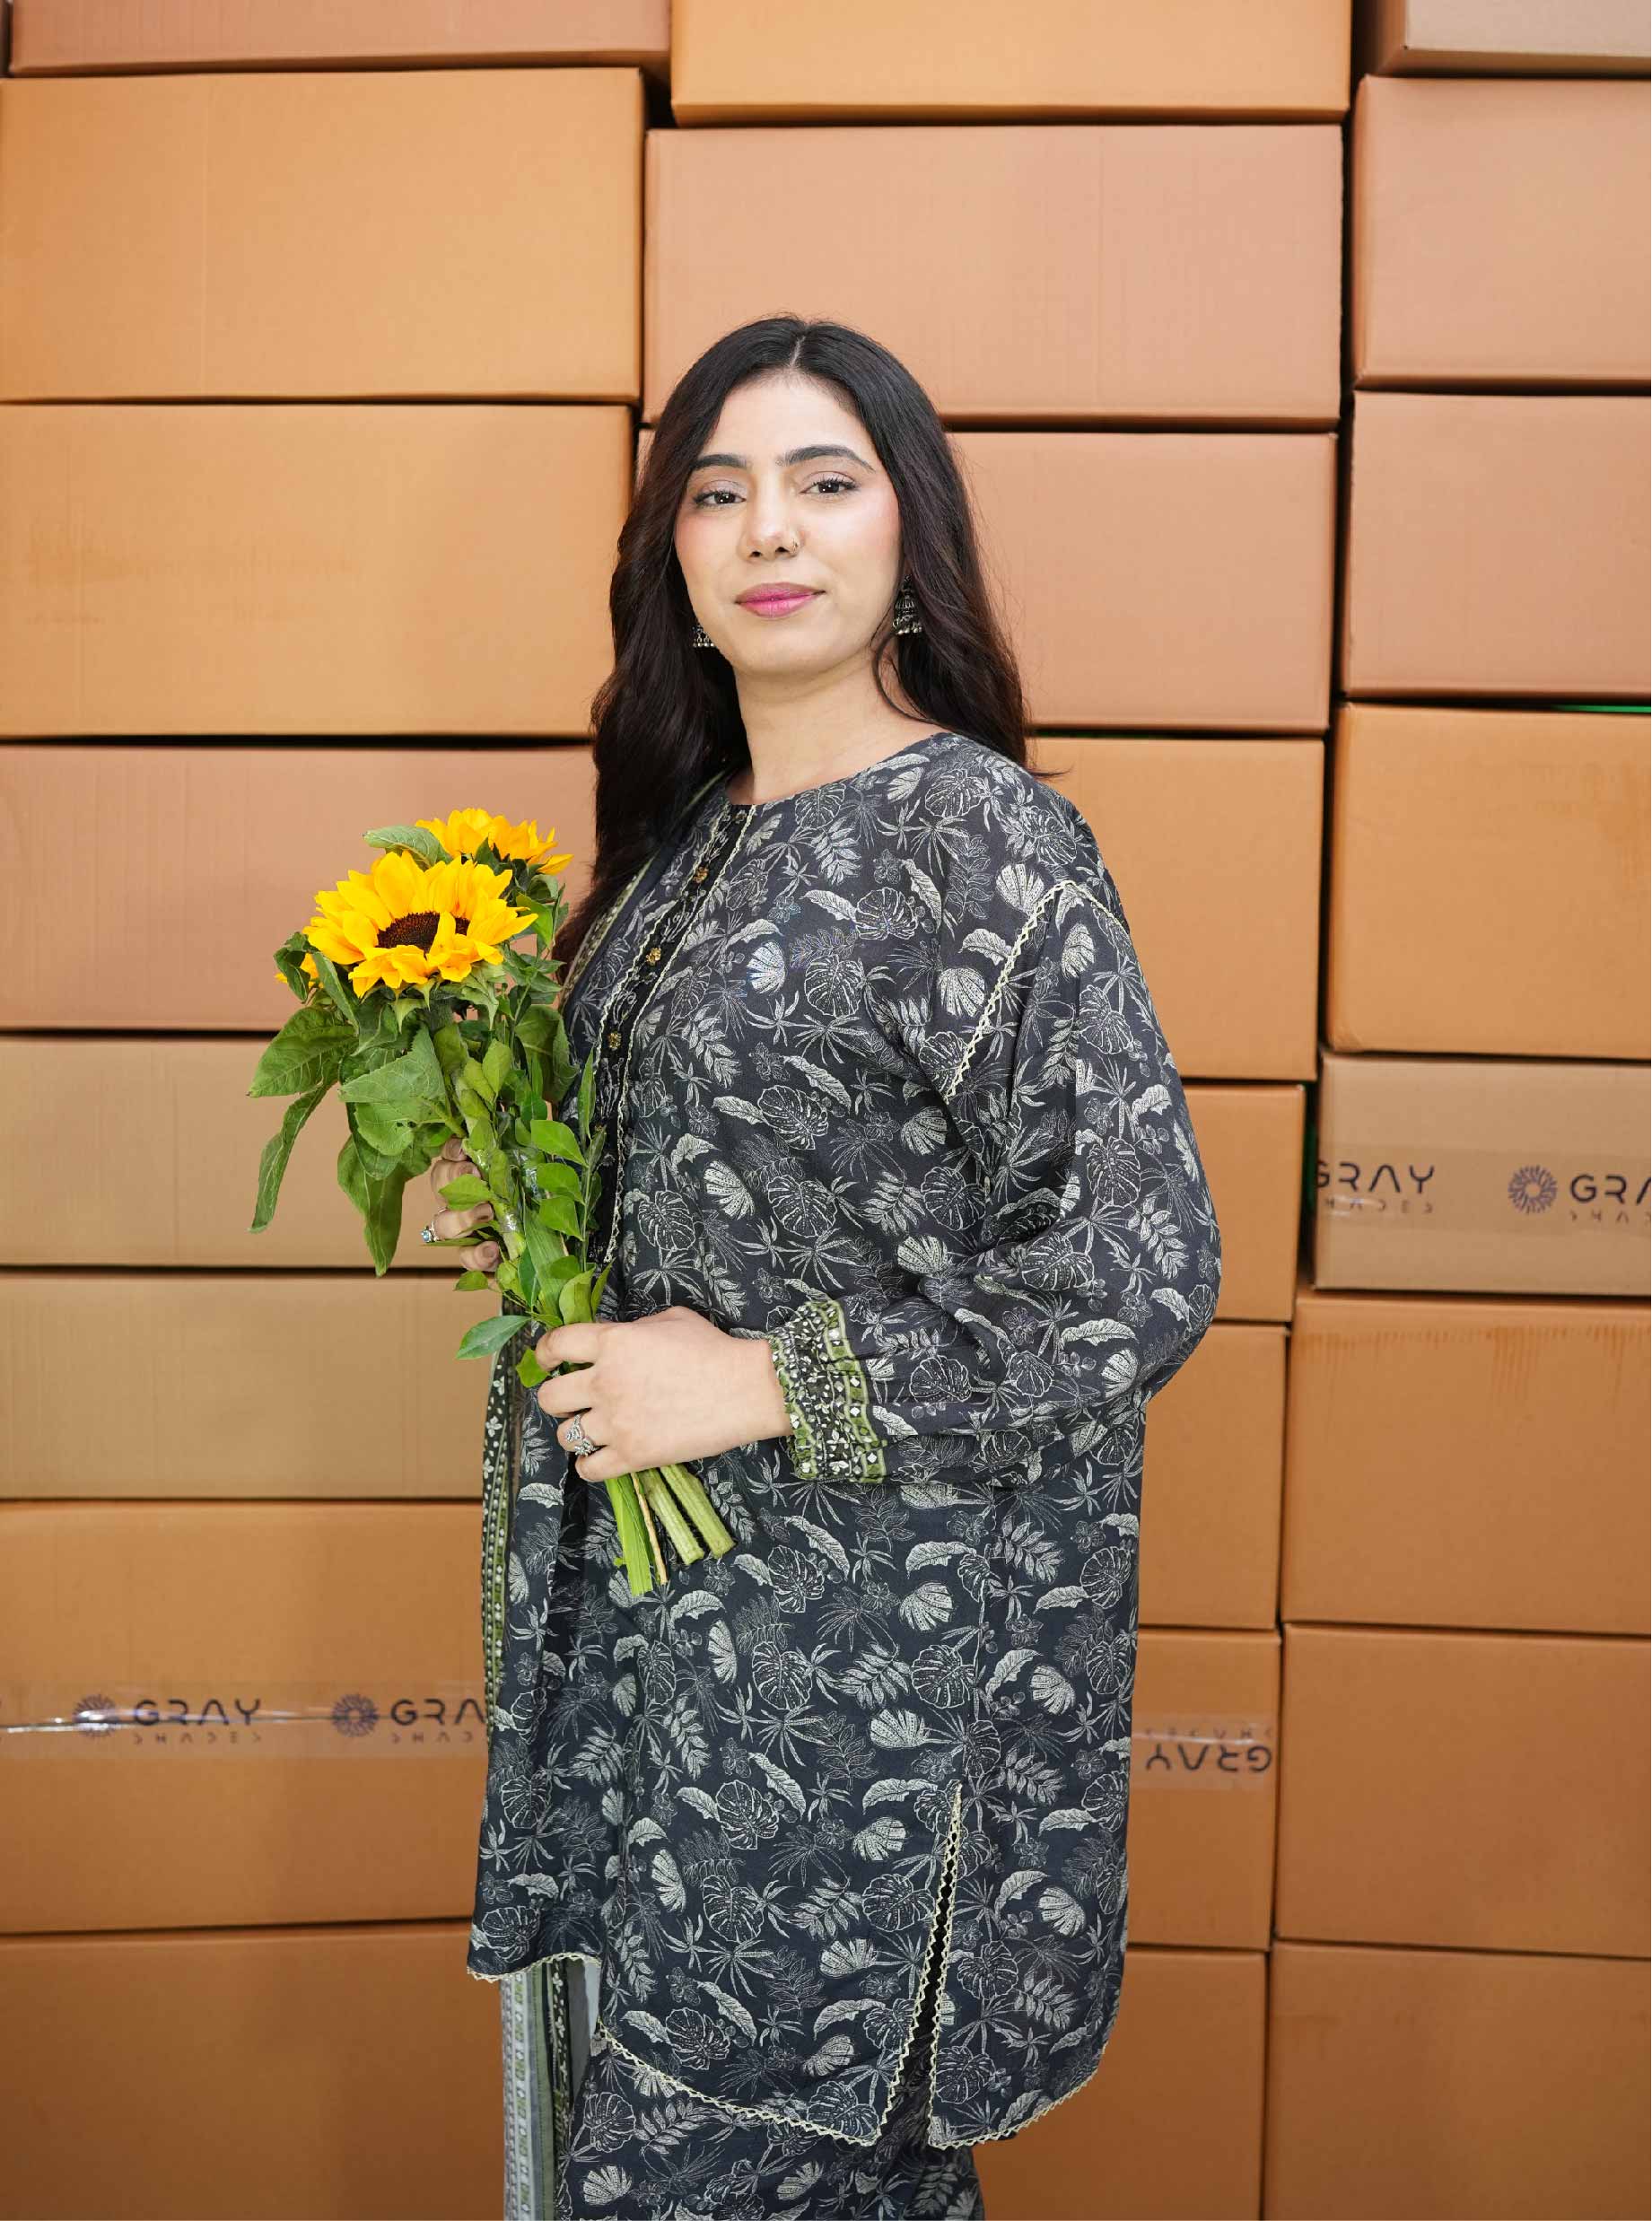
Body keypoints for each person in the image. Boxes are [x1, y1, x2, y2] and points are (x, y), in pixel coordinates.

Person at [430, 316, 1223, 2220]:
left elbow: (1142, 1260)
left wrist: (766, 1377)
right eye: (718, 490)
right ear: (675, 562)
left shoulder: (984, 841)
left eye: (823, 479)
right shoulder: (687, 845)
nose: (766, 527)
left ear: (905, 541)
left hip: (855, 1707)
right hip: (668, 1673)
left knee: (754, 2168)